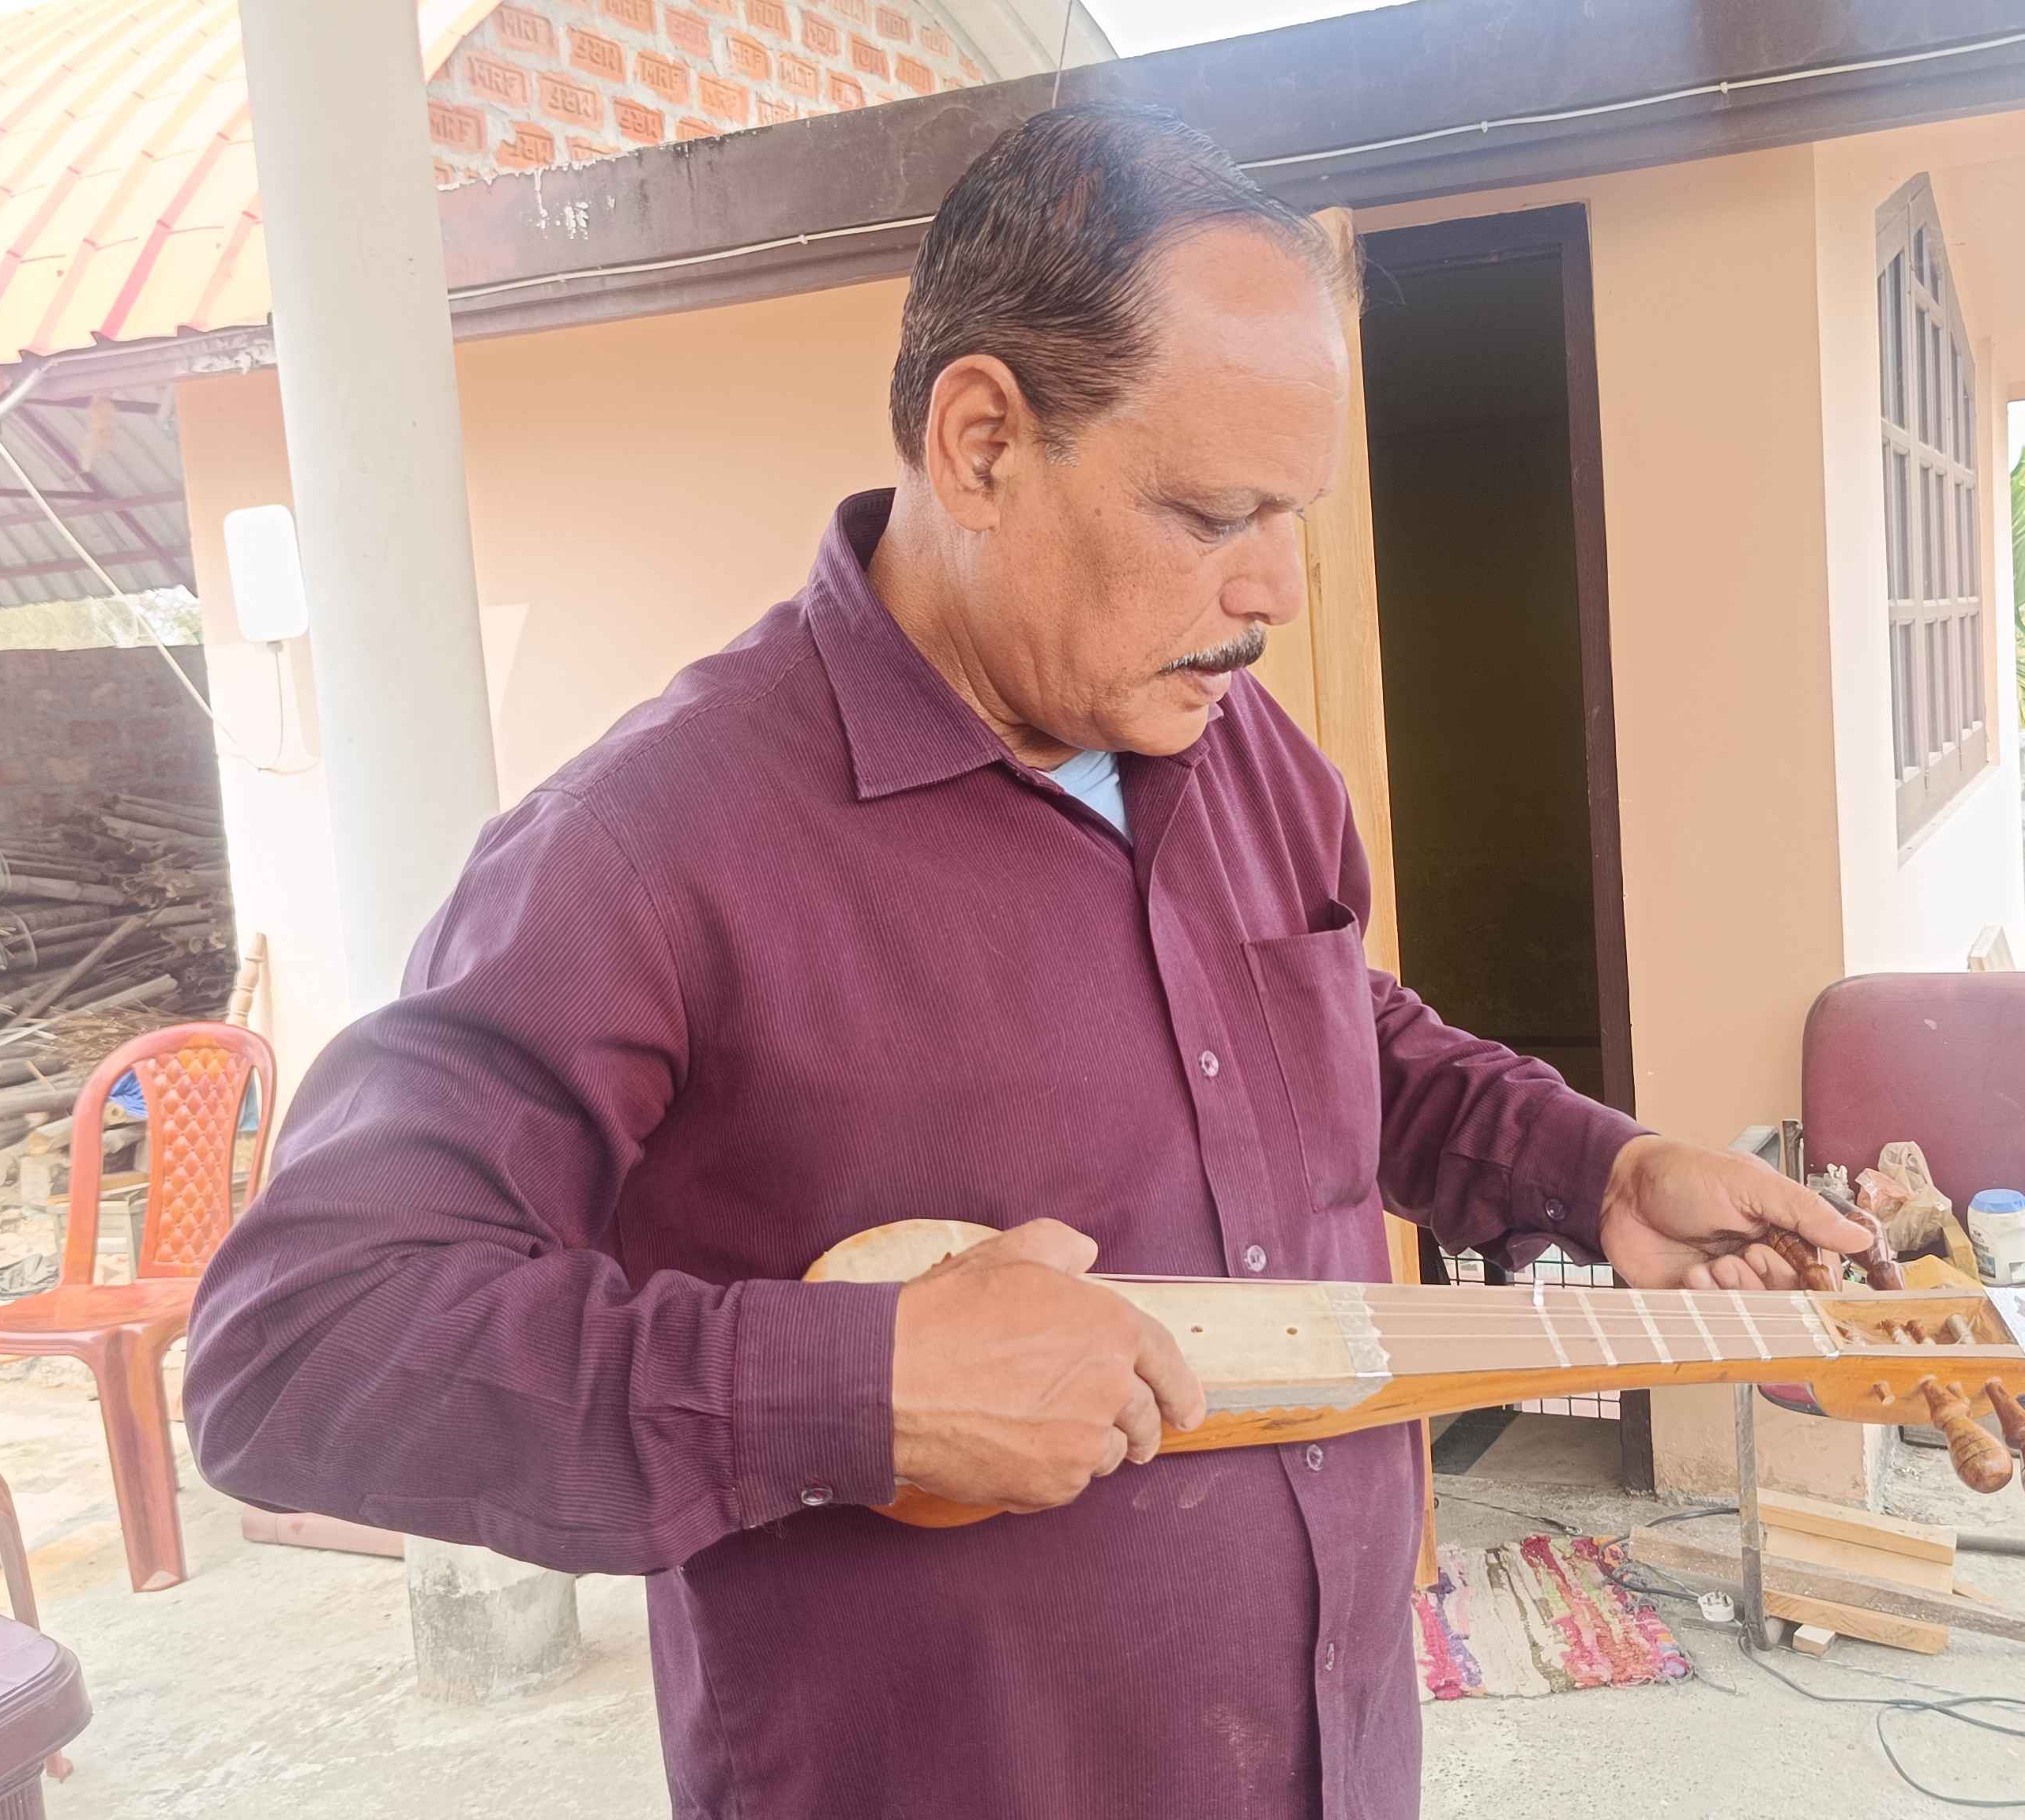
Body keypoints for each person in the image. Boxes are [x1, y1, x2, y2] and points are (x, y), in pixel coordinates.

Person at [183, 103, 1868, 1820]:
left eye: (1294, 514)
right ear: (980, 442)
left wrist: (1597, 1170)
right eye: (1215, 511)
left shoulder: (1240, 751)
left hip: (1337, 1763)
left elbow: (1335, 1036)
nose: (1276, 586)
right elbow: (296, 1350)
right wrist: (852, 1391)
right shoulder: (644, 848)